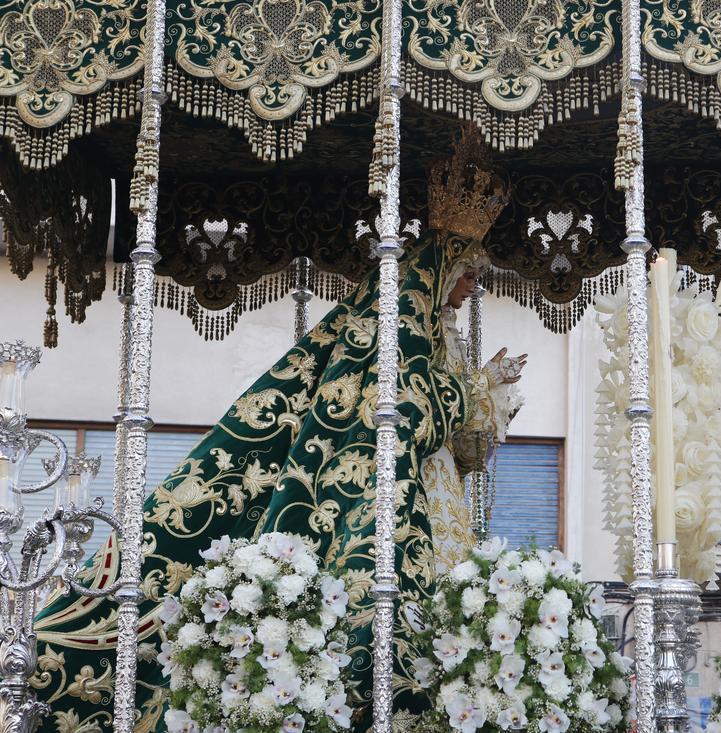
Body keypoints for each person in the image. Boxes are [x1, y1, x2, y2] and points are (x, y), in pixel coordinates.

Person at [34, 141, 524, 731]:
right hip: (376, 493)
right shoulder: (395, 323)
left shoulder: (443, 334)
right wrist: (476, 390)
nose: (475, 287)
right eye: (469, 272)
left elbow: (460, 445)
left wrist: (491, 406)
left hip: (436, 497)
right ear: (441, 268)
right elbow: (403, 411)